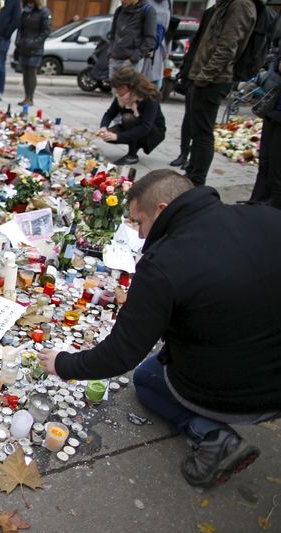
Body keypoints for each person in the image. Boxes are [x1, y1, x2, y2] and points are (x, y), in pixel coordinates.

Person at [38, 169, 281, 488]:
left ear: (163, 210)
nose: (139, 235)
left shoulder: (164, 263)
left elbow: (120, 355)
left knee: (148, 377)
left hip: (245, 390)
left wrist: (63, 363)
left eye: (139, 223)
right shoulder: (266, 217)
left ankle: (211, 436)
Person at [185, 0, 257, 186]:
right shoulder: (224, 5)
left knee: (202, 133)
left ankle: (196, 180)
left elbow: (228, 46)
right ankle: (191, 173)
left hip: (214, 80)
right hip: (202, 77)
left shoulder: (240, 5)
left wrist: (205, 76)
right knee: (196, 130)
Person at [170, 6, 215, 169]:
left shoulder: (232, 8)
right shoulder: (212, 12)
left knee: (200, 126)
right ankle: (184, 153)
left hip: (207, 77)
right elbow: (197, 44)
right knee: (188, 118)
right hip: (193, 72)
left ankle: (194, 163)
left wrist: (205, 74)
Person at [97, 67, 166, 165]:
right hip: (135, 126)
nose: (117, 92)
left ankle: (132, 155)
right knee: (108, 135)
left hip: (152, 132)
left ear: (129, 87)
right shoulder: (122, 96)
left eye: (120, 88)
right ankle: (133, 145)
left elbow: (145, 127)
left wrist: (118, 136)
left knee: (128, 118)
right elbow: (109, 114)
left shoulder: (150, 97)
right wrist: (103, 127)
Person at [249, 21, 281, 208]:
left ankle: (273, 212)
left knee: (277, 170)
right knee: (265, 163)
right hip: (273, 109)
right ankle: (256, 204)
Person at [13, 0, 52, 106]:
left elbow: (46, 31)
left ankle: (30, 97)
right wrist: (18, 41)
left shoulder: (44, 12)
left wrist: (34, 43)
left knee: (31, 72)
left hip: (35, 48)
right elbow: (20, 29)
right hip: (24, 47)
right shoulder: (25, 12)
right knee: (25, 72)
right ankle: (26, 96)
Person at [108, 0, 156, 79]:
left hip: (131, 62)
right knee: (115, 91)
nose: (122, 1)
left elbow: (150, 39)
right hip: (114, 59)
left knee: (129, 90)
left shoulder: (147, 10)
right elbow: (112, 34)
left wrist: (133, 59)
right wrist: (110, 52)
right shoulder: (119, 10)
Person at [141, 0, 171, 88]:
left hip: (159, 50)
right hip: (146, 49)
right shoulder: (146, 4)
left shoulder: (168, 3)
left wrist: (167, 53)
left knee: (155, 86)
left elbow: (167, 30)